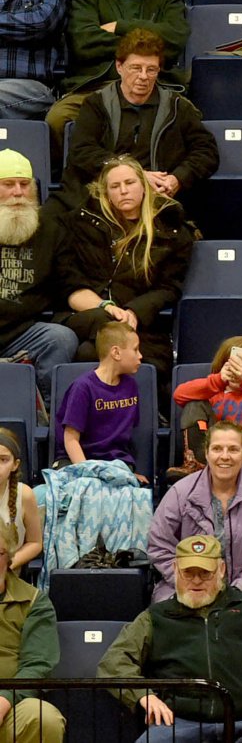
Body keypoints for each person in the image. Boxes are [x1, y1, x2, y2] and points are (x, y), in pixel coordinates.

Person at [98, 533, 242, 743]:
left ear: (221, 570)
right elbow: (114, 662)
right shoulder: (155, 617)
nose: (196, 581)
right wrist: (143, 695)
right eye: (188, 572)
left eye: (205, 573)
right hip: (178, 721)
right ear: (175, 569)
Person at [55, 155, 197, 399]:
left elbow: (169, 287)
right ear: (105, 192)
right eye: (115, 186)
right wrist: (107, 308)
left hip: (140, 325)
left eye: (130, 183)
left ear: (144, 185)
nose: (123, 191)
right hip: (89, 315)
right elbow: (70, 281)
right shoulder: (80, 224)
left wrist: (132, 311)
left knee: (93, 352)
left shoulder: (171, 230)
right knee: (99, 336)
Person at [46, 0, 190, 156]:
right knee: (57, 118)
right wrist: (145, 44)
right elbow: (84, 43)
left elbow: (175, 39)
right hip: (96, 87)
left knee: (188, 119)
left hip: (153, 86)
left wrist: (120, 27)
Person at [57, 28, 219, 209]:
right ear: (119, 67)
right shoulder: (96, 104)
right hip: (106, 197)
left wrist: (178, 178)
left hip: (160, 197)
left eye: (151, 70)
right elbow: (82, 151)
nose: (143, 77)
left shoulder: (177, 107)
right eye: (135, 68)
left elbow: (206, 151)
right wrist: (136, 176)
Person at [147, 421, 242, 604]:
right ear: (206, 453)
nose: (225, 456)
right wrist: (191, 583)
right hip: (187, 586)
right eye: (217, 448)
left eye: (233, 449)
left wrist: (239, 588)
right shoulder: (180, 493)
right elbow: (159, 546)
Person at [0, 148, 77, 403]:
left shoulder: (50, 230)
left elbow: (68, 283)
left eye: (24, 184)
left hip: (21, 333)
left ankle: (48, 417)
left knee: (60, 338)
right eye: (8, 185)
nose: (18, 192)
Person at [168, 334, 242, 483]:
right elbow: (179, 394)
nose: (241, 370)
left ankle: (238, 463)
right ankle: (197, 464)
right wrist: (218, 380)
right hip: (213, 458)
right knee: (194, 404)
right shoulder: (213, 391)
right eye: (235, 364)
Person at [52, 321, 147, 482]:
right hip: (79, 461)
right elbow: (71, 440)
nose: (140, 356)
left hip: (115, 463)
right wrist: (89, 474)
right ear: (116, 353)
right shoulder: (83, 387)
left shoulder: (131, 385)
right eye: (135, 349)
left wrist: (127, 475)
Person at [0, 524, 64, 743]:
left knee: (43, 718)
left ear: (8, 556)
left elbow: (37, 664)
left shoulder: (35, 602)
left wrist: (5, 699)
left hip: (11, 703)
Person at [0, 429, 41, 573]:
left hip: (8, 578)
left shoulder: (24, 494)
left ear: (15, 465)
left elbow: (35, 543)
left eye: (3, 460)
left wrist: (7, 564)